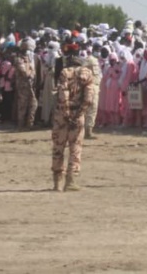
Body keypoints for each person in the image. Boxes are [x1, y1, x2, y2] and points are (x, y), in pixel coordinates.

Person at [51, 51, 96, 192]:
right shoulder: (88, 74)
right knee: (75, 149)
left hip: (61, 116)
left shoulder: (65, 72)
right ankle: (71, 181)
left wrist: (66, 113)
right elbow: (89, 99)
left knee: (58, 148)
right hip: (78, 115)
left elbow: (63, 94)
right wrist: (78, 114)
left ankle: (57, 182)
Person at [13, 48, 37, 130]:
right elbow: (24, 73)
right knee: (22, 105)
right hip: (22, 86)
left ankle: (30, 123)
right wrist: (30, 73)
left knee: (33, 104)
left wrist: (31, 73)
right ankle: (21, 124)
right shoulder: (18, 60)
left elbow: (33, 72)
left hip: (30, 86)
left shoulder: (29, 60)